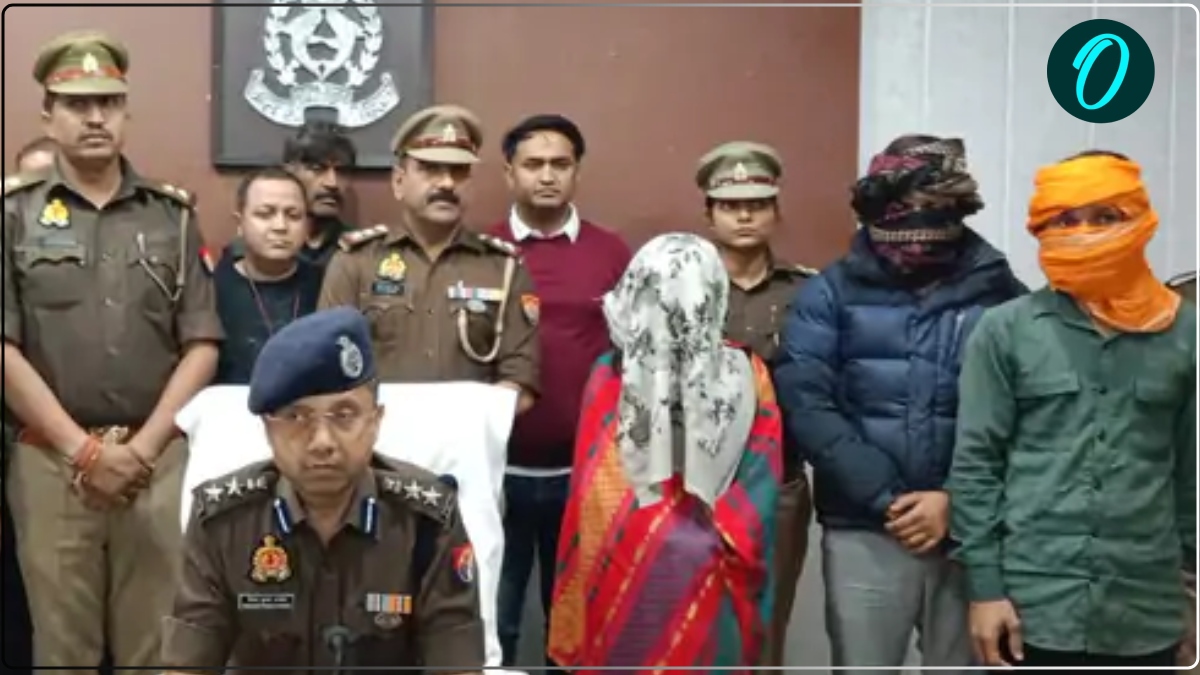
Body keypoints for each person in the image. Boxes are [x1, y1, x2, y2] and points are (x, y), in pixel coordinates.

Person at [1, 30, 223, 673]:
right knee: (62, 651)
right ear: (49, 115)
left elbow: (202, 343)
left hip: (155, 465)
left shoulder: (172, 216)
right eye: (77, 103)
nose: (95, 117)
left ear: (127, 112)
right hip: (51, 464)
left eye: (109, 102)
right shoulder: (14, 215)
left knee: (158, 650)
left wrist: (141, 450)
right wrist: (84, 451)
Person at [773, 135, 1026, 673]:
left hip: (971, 531)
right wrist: (889, 499)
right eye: (903, 209)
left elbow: (1027, 412)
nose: (917, 230)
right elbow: (806, 400)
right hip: (864, 525)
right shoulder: (829, 293)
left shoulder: (1000, 294)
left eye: (933, 208)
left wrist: (955, 500)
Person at [949, 150, 1196, 672]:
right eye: (1066, 219)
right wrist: (985, 590)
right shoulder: (1005, 329)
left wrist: (1192, 595)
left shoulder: (1186, 332)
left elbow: (1192, 478)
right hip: (1033, 606)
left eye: (1106, 216)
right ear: (1042, 228)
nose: (1085, 234)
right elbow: (976, 466)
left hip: (1146, 606)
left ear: (1139, 220)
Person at [160, 307, 486, 673]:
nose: (322, 442)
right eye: (296, 417)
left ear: (375, 422)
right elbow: (187, 665)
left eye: (344, 415)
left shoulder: (427, 520)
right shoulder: (222, 521)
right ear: (268, 428)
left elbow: (457, 664)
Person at [547, 233, 783, 673]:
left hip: (624, 559)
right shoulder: (748, 372)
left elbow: (596, 496)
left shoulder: (609, 372)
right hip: (711, 556)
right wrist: (710, 535)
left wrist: (655, 531)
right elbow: (759, 485)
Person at [486, 113, 631, 669]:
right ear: (509, 173)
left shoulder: (611, 253)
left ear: (577, 172)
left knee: (573, 627)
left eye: (560, 164)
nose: (547, 175)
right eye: (533, 164)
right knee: (495, 620)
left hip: (584, 476)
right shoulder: (483, 250)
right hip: (495, 472)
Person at [319, 104, 539, 413]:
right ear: (399, 182)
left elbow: (521, 380)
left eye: (458, 171)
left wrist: (460, 422)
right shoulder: (356, 262)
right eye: (430, 168)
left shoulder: (504, 268)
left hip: (468, 436)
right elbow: (329, 365)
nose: (447, 183)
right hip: (378, 437)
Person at [695, 140, 816, 668]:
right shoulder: (682, 288)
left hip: (778, 482)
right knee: (693, 624)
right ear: (709, 214)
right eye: (730, 205)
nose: (744, 216)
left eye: (757, 204)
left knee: (765, 625)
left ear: (776, 211)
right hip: (696, 485)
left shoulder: (808, 292)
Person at [213, 168, 323, 384]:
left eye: (293, 216)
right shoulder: (211, 288)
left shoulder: (326, 282)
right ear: (240, 223)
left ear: (307, 226)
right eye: (265, 214)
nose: (280, 226)